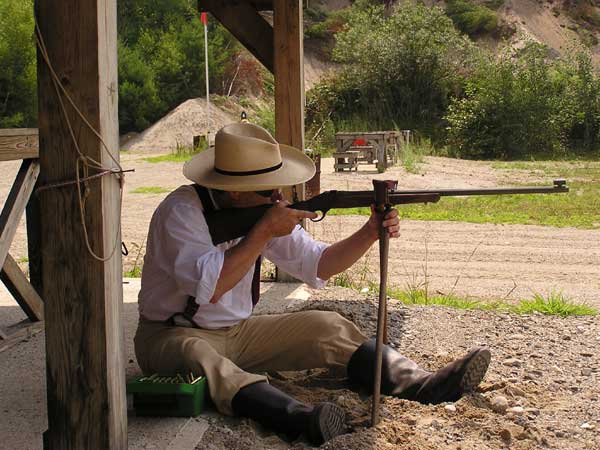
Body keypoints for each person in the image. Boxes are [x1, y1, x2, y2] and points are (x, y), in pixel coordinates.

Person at [134, 123, 491, 445]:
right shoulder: (179, 213)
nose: (278, 197)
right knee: (198, 357)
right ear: (236, 193)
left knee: (327, 325)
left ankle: (420, 383)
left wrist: (369, 232)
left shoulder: (259, 212)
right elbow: (212, 286)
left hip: (237, 332)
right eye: (268, 191)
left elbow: (320, 263)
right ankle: (300, 419)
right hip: (170, 335)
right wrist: (263, 232)